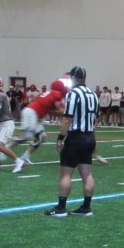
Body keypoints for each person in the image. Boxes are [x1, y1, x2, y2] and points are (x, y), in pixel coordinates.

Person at [44, 66, 100, 217]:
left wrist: (60, 139)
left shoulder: (73, 94)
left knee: (65, 173)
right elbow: (96, 119)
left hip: (76, 137)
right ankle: (86, 207)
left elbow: (68, 118)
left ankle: (61, 208)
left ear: (73, 77)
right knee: (87, 174)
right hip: (89, 136)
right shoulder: (93, 94)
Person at [13, 79, 67, 172]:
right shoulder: (56, 94)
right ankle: (7, 148)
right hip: (32, 113)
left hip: (35, 114)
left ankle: (24, 157)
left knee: (42, 137)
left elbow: (52, 111)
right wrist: (70, 113)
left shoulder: (50, 94)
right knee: (27, 136)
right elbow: (60, 111)